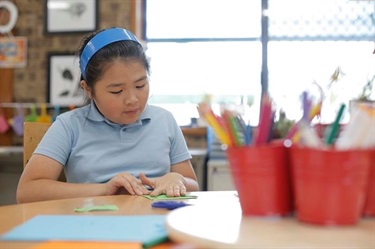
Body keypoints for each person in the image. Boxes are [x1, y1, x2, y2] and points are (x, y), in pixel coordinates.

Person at [17, 27, 199, 203]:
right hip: (93, 225)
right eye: (117, 91)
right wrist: (104, 189)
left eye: (140, 85)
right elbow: (28, 191)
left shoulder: (164, 120)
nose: (132, 99)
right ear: (88, 89)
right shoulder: (69, 125)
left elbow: (193, 185)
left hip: (156, 223)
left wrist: (177, 180)